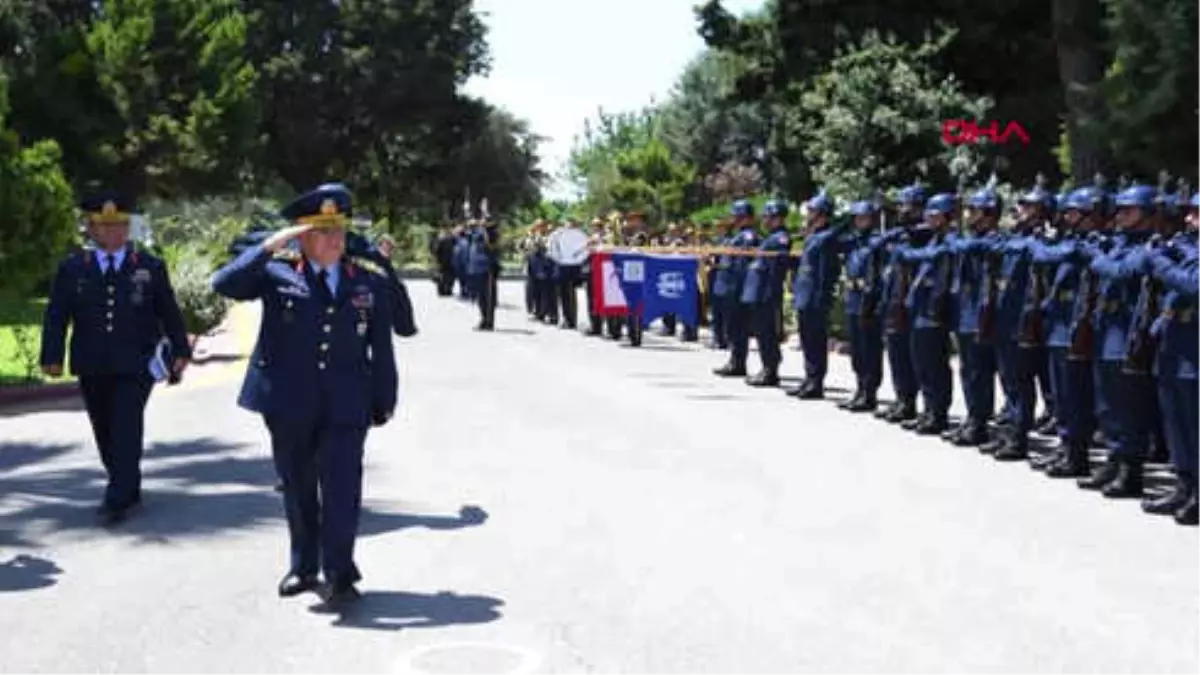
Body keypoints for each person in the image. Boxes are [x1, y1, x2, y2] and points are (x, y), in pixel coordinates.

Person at [210, 183, 398, 605]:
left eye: (340, 230)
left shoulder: (366, 281)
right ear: (302, 236)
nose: (336, 240)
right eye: (324, 230)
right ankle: (304, 566)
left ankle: (340, 571)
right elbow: (224, 283)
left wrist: (384, 397)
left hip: (347, 400)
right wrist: (270, 246)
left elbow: (382, 346)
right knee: (298, 486)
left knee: (343, 487)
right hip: (288, 401)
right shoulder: (277, 273)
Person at [40, 192, 192, 525]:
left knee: (126, 423)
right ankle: (126, 481)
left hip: (136, 363)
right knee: (104, 428)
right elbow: (56, 315)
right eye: (104, 226)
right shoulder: (73, 268)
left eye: (120, 225)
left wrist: (181, 350)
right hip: (91, 362)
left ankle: (117, 496)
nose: (113, 233)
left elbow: (168, 310)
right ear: (91, 230)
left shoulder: (149, 266)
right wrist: (51, 355)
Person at [741, 200, 793, 386]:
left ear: (777, 218)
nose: (765, 221)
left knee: (768, 333)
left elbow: (774, 268)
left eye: (769, 217)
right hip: (759, 291)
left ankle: (770, 370)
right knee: (762, 332)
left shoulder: (780, 238)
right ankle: (766, 367)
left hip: (767, 292)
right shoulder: (769, 238)